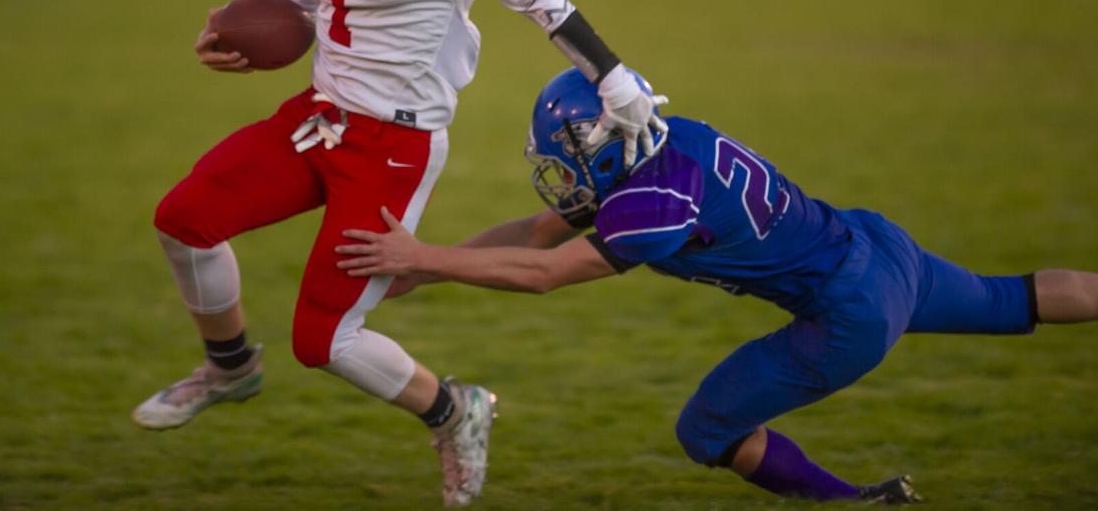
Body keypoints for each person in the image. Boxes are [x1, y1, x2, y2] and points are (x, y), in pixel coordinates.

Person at [131, 0, 666, 508]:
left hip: (394, 144)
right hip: (320, 115)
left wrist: (613, 77)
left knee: (324, 342)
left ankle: (456, 410)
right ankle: (228, 366)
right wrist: (240, 30)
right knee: (183, 220)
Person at [334, 67, 1098, 504]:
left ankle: (848, 504)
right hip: (876, 246)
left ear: (601, 147)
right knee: (1014, 299)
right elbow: (538, 235)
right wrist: (423, 269)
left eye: (562, 156)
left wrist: (426, 255)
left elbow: (543, 276)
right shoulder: (670, 141)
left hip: (848, 310)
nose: (555, 172)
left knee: (706, 431)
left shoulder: (651, 208)